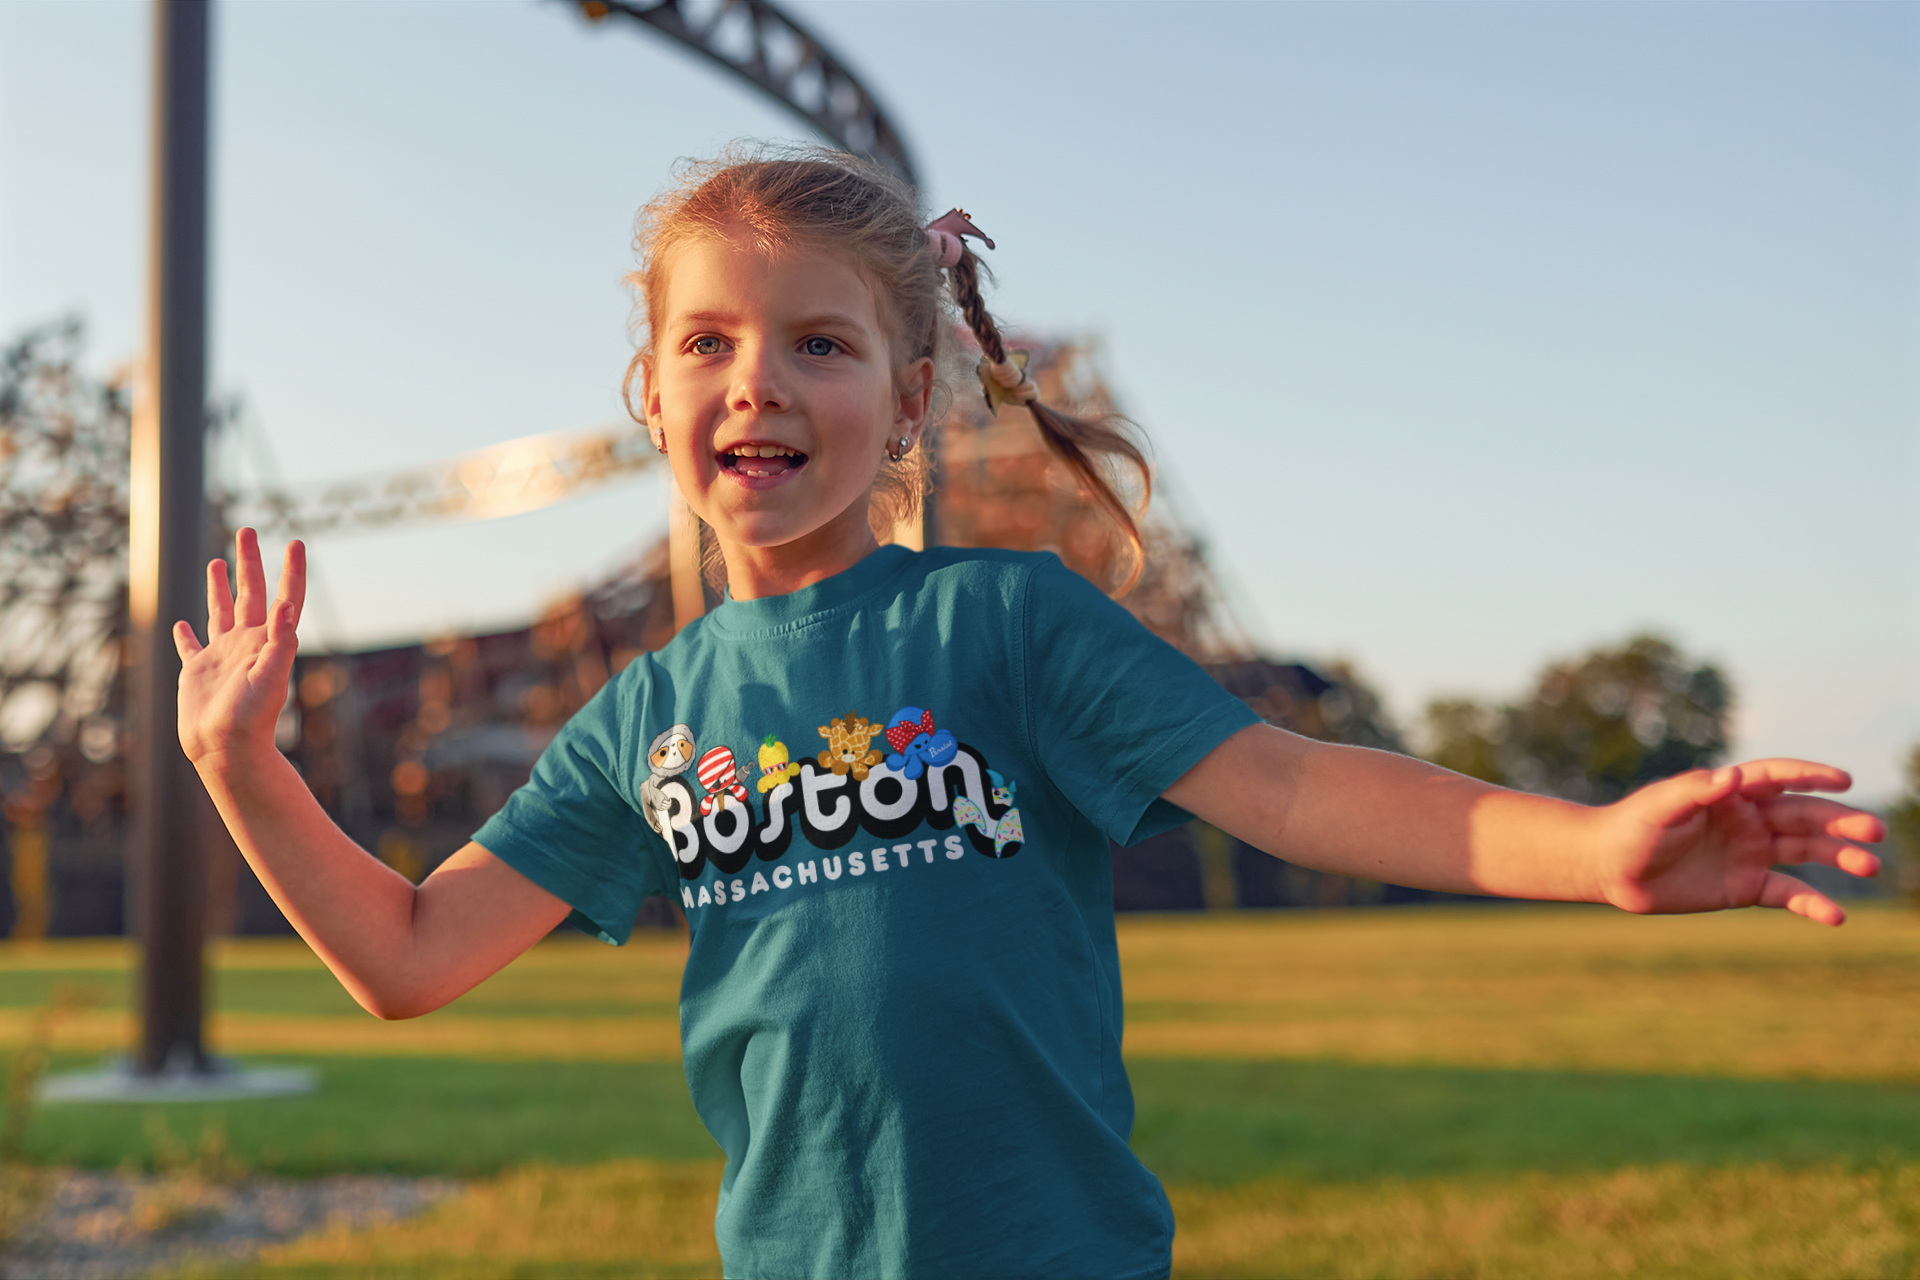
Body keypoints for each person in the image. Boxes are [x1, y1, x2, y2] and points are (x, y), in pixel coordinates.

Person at [173, 146, 1884, 1280]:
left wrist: (1591, 848)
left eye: (820, 347)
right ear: (655, 392)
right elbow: (403, 958)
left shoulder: (1004, 625)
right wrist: (240, 768)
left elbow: (1295, 788)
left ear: (909, 399)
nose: (758, 379)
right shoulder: (643, 720)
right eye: (709, 344)